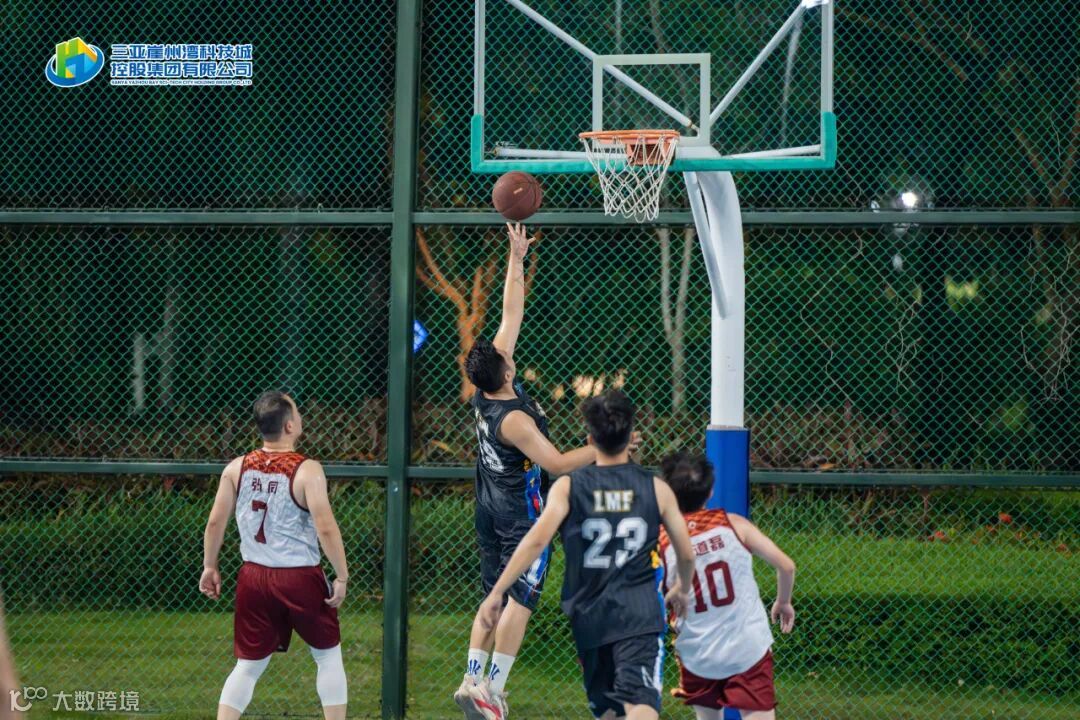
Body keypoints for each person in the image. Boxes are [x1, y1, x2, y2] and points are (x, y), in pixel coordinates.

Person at [455, 223, 610, 720]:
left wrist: (516, 257)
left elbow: (511, 312)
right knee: (518, 600)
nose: (509, 350)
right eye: (506, 355)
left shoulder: (487, 391)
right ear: (504, 372)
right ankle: (493, 689)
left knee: (492, 594)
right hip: (520, 518)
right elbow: (559, 463)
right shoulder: (515, 420)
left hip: (488, 509)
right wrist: (603, 447)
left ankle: (471, 678)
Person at [478, 390, 696, 720]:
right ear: (631, 437)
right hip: (638, 610)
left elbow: (535, 542)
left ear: (590, 439)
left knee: (609, 710)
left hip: (590, 613)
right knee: (640, 703)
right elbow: (686, 553)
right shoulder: (655, 488)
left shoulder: (569, 488)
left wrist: (498, 591)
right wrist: (682, 588)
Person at [200, 392, 349, 720]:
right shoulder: (308, 470)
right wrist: (341, 575)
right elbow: (325, 527)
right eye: (297, 411)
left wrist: (210, 565)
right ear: (290, 426)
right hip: (299, 576)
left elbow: (214, 522)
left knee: (248, 666)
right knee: (327, 657)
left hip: (253, 577)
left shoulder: (236, 468)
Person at [657, 452, 796, 720]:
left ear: (668, 494)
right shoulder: (734, 524)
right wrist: (783, 601)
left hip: (698, 652)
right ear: (710, 491)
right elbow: (786, 566)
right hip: (747, 647)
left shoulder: (661, 540)